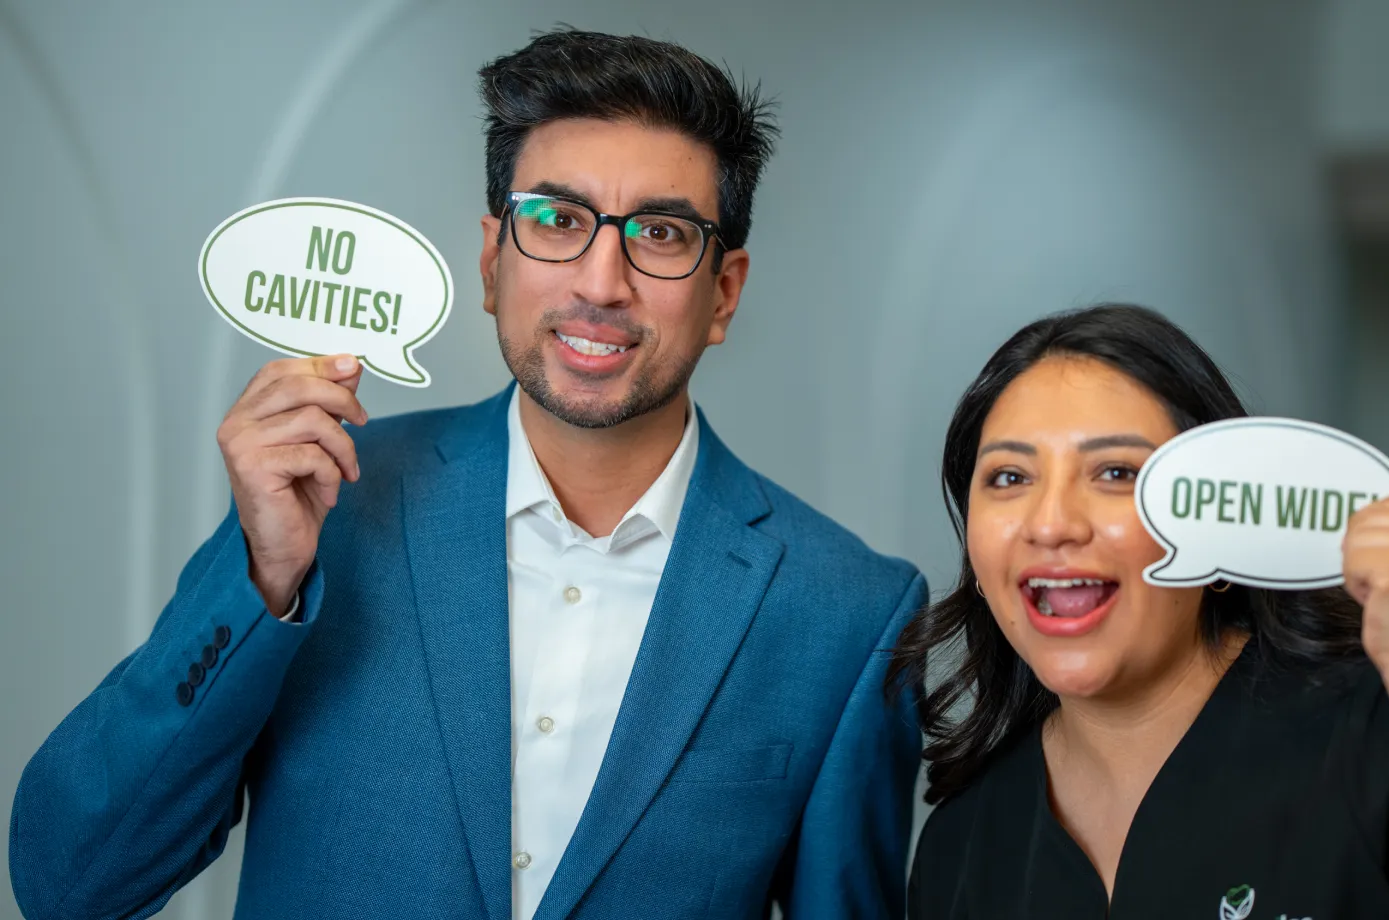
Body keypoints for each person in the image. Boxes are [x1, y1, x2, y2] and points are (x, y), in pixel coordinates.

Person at [11, 29, 925, 920]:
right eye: (558, 221)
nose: (601, 282)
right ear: (494, 263)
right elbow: (71, 886)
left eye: (660, 232)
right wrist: (263, 578)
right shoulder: (332, 500)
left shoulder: (848, 613)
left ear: (723, 292)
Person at [893, 304, 1389, 919]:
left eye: (1117, 473)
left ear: (1218, 525)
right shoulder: (967, 840)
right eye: (1010, 476)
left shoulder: (1370, 737)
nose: (1051, 522)